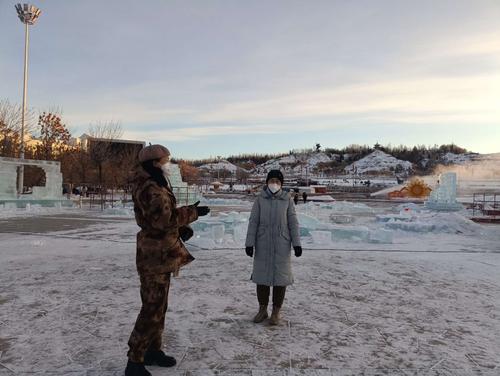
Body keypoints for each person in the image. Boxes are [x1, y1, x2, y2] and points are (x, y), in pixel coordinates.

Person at [125, 144, 210, 376]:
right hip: (155, 257)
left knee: (159, 306)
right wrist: (193, 213)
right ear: (154, 163)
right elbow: (164, 220)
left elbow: (161, 221)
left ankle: (153, 350)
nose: (167, 164)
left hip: (161, 253)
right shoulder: (150, 187)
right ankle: (135, 359)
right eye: (165, 160)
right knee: (151, 308)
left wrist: (178, 231)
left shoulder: (154, 183)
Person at [245, 170, 302, 326]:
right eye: (272, 180)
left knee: (280, 279)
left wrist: (297, 243)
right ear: (267, 182)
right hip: (262, 244)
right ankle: (262, 310)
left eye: (277, 181)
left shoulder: (287, 200)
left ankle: (276, 311)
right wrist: (249, 243)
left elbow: (293, 223)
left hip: (282, 244)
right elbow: (253, 222)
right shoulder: (260, 200)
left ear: (281, 184)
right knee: (261, 279)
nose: (274, 183)